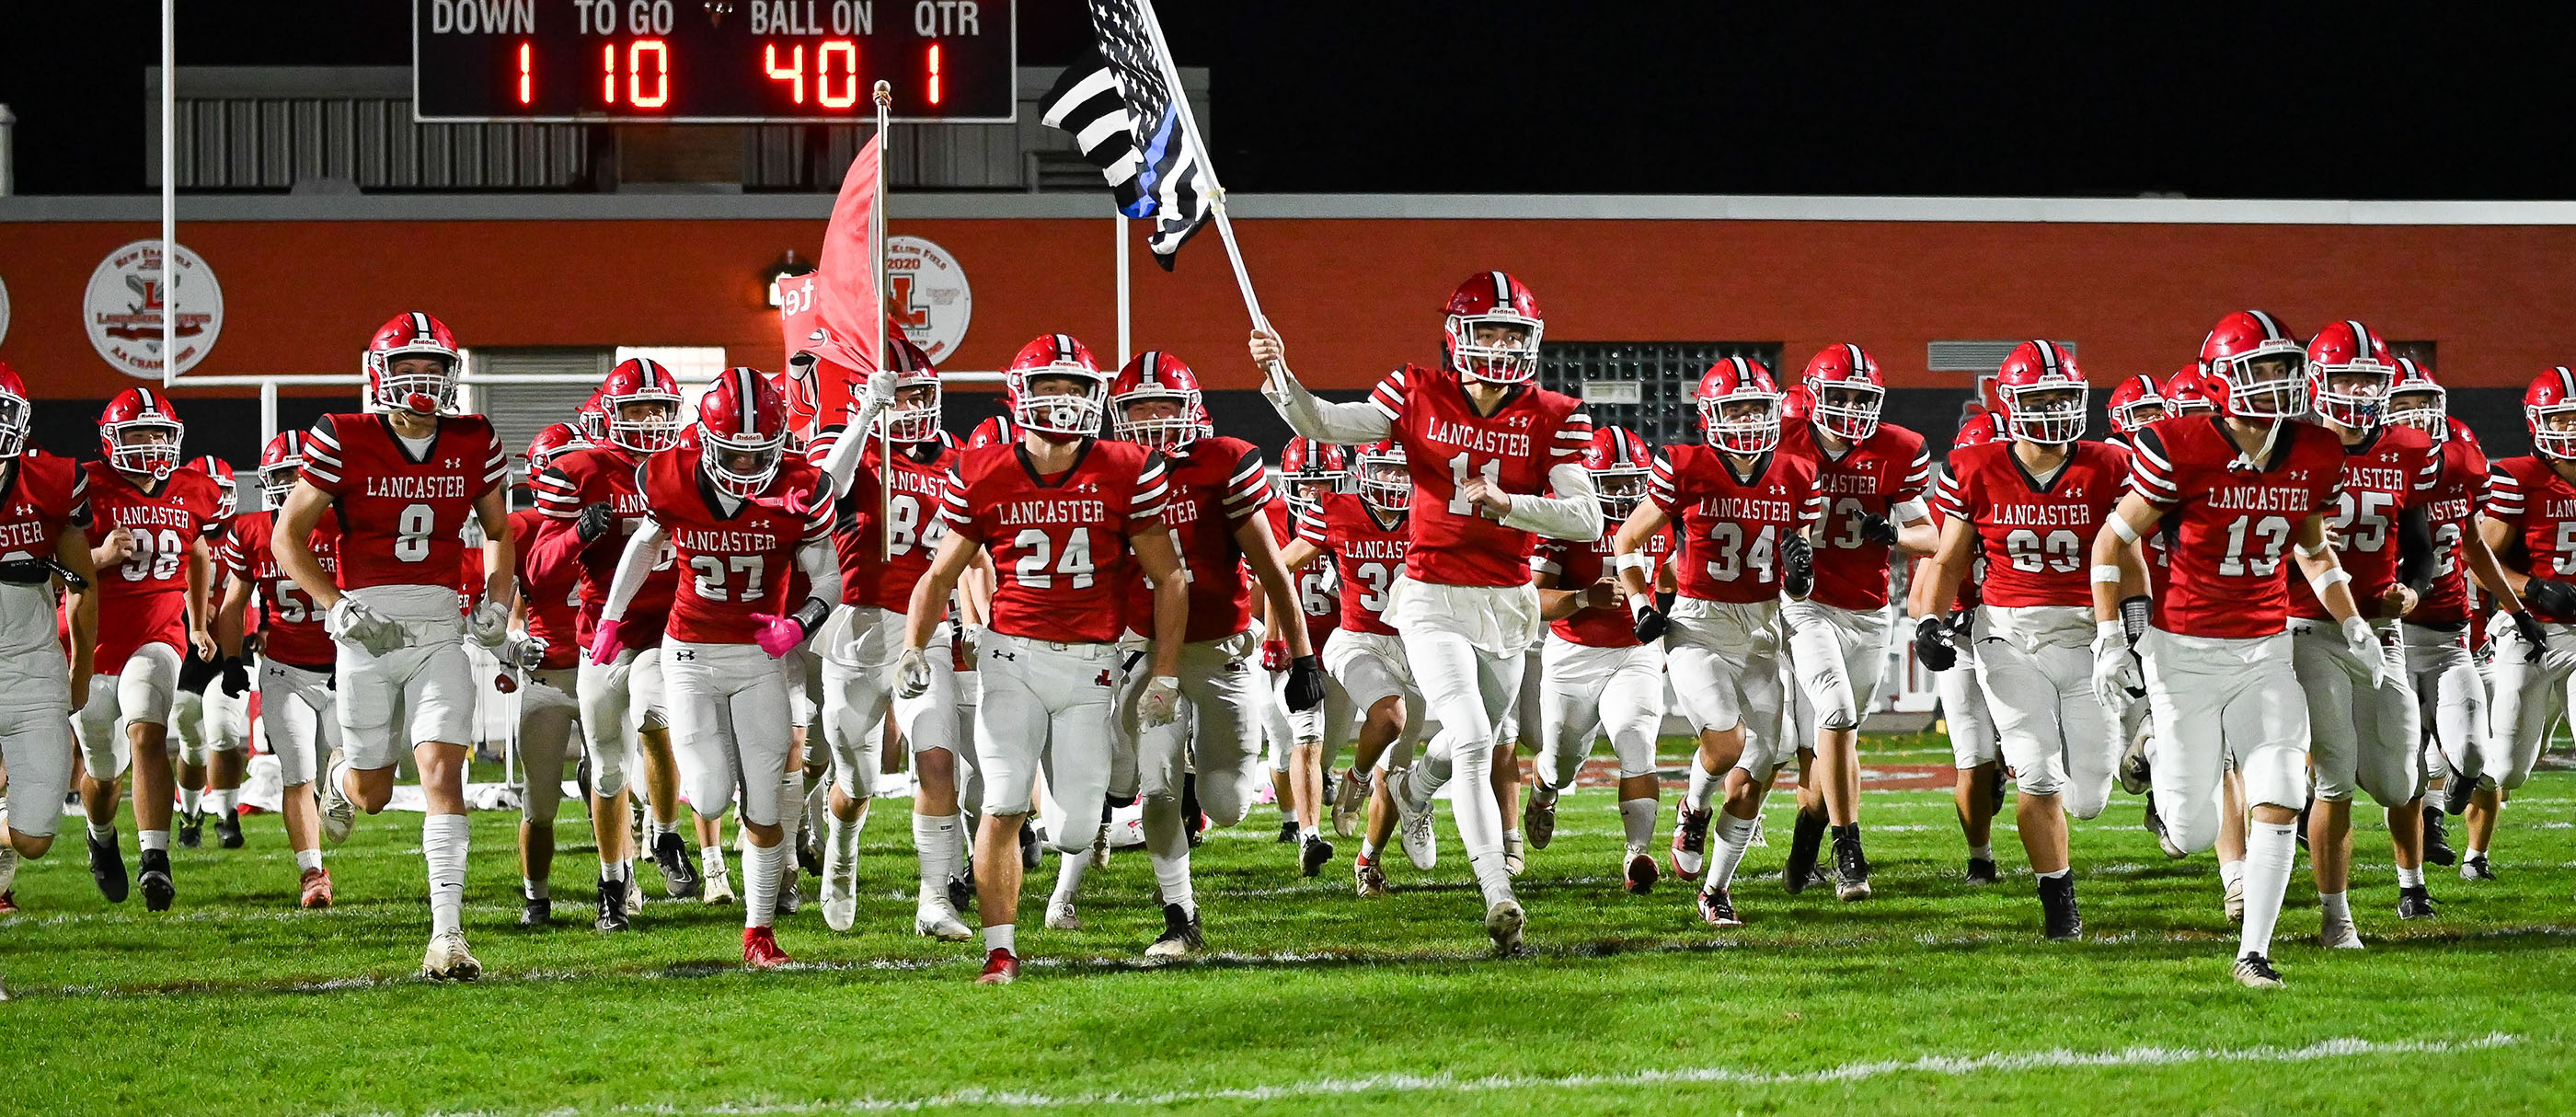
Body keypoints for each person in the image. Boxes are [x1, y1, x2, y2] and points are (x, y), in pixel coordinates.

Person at [1256, 271, 1602, 954]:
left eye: (1513, 333)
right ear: (1457, 337)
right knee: (1473, 736)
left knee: (1475, 738)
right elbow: (1324, 422)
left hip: (1508, 603)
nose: (1501, 346)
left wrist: (1512, 505)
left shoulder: (1558, 414)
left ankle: (1414, 788)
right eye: (1489, 331)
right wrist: (1281, 374)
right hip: (1431, 594)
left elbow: (1587, 518)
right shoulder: (1416, 390)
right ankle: (1498, 893)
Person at [2090, 309, 2380, 988]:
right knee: (2189, 833)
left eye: (2286, 367)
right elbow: (2112, 541)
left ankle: (2255, 953)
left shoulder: (2314, 451)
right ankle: (2159, 747)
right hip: (2183, 653)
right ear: (2222, 380)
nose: (2281, 381)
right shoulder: (2178, 444)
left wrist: (2354, 622)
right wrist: (2110, 637)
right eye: (2264, 368)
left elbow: (2312, 548)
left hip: (2265, 649)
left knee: (2280, 789)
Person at [898, 334, 1190, 984]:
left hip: (1091, 666)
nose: (1062, 401)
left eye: (1075, 388)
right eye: (1048, 387)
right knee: (1002, 801)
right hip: (1012, 659)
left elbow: (1170, 577)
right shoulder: (984, 470)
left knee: (1075, 832)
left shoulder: (1127, 467)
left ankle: (1071, 841)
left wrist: (1164, 671)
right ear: (1018, 395)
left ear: (1095, 397)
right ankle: (999, 951)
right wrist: (914, 648)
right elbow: (940, 573)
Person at [276, 311, 513, 980]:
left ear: (451, 376)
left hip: (441, 628)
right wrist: (336, 603)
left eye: (432, 369)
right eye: (407, 368)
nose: (421, 381)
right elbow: (286, 535)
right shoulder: (343, 435)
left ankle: (448, 936)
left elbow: (498, 532)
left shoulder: (474, 438)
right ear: (379, 374)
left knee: (444, 775)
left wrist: (497, 601)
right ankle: (342, 780)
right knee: (374, 792)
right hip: (367, 627)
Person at [593, 369, 840, 969]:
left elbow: (830, 576)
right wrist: (610, 616)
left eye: (761, 455)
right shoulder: (671, 477)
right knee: (708, 792)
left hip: (759, 656)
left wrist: (799, 624)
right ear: (705, 439)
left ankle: (759, 934)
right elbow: (645, 545)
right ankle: (669, 827)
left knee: (762, 797)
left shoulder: (804, 486)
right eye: (735, 453)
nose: (750, 468)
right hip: (690, 654)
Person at [1093, 350, 1322, 944]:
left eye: (1161, 406)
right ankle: (1180, 913)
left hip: (1221, 648)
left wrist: (1303, 657)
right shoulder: (1110, 473)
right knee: (1159, 789)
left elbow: (1273, 571)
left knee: (1225, 804)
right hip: (1149, 652)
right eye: (1136, 408)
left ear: (1191, 411)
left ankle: (1200, 757)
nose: (1148, 420)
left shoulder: (1223, 463)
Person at [1916, 340, 2129, 939]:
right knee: (2035, 773)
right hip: (2006, 634)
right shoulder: (1977, 466)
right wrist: (1929, 620)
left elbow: (2130, 559)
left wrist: (2133, 630)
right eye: (2041, 396)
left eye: (2064, 395)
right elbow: (1949, 561)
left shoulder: (2108, 466)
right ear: (2011, 403)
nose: (2056, 407)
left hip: (2086, 637)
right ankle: (2059, 906)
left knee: (2088, 796)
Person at [1616, 357, 1821, 927]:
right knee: (1727, 745)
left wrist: (1802, 566)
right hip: (1699, 624)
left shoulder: (1797, 471)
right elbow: (1628, 540)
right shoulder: (1685, 465)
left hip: (1761, 626)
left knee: (1764, 760)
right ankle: (1694, 804)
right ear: (1711, 415)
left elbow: (1800, 545)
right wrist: (1640, 602)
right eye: (1737, 408)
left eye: (1758, 407)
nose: (1750, 419)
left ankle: (1715, 890)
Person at [806, 340, 978, 939]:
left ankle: (934, 900)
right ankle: (843, 848)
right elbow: (822, 490)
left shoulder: (956, 458)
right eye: (900, 394)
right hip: (854, 630)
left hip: (923, 630)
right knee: (858, 780)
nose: (912, 406)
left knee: (936, 761)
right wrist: (864, 417)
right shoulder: (854, 444)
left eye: (920, 394)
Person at [2283, 320, 2442, 946]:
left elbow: (2421, 547)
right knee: (2336, 774)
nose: (2355, 389)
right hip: (2308, 629)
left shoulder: (2407, 447)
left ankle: (2412, 882)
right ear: (2318, 381)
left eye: (2367, 379)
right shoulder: (2293, 445)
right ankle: (2336, 916)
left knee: (2403, 778)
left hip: (2382, 633)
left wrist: (2413, 590)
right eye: (2344, 376)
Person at [527, 359, 704, 903]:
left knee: (655, 717)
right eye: (637, 409)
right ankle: (613, 881)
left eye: (660, 409)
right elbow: (538, 572)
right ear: (611, 413)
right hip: (602, 635)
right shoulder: (581, 471)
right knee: (606, 769)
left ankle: (668, 835)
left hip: (669, 630)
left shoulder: (696, 465)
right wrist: (577, 534)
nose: (651, 421)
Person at [1776, 344, 1937, 901]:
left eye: (1860, 398)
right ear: (1813, 395)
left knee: (1838, 738)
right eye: (1839, 395)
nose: (1849, 408)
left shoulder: (1897, 449)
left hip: (1869, 613)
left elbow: (1930, 537)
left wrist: (1890, 532)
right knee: (1836, 715)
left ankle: (1805, 842)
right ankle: (1850, 851)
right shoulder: (1780, 437)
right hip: (1806, 604)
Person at [73, 388, 227, 911]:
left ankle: (154, 857)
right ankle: (101, 836)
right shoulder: (84, 485)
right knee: (101, 772)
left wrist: (198, 618)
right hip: (89, 643)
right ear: (112, 439)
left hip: (157, 632)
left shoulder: (193, 489)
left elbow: (199, 552)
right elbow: (51, 565)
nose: (151, 444)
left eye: (159, 433)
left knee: (147, 730)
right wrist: (99, 554)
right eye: (138, 433)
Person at [1527, 426, 1673, 892]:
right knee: (1560, 761)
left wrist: (1662, 623)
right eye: (1611, 484)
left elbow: (1670, 577)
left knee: (1636, 741)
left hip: (1633, 654)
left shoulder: (1654, 521)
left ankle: (1637, 855)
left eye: (1632, 481)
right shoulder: (1564, 524)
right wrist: (1582, 598)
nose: (1625, 493)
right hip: (1573, 654)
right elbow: (1534, 600)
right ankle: (1544, 788)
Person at [1282, 439, 1426, 897]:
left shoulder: (1432, 513)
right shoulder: (1338, 509)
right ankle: (1356, 777)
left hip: (1419, 646)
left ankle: (1371, 857)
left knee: (1401, 767)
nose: (1396, 482)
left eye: (1404, 473)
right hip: (1357, 638)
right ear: (1365, 472)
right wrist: (1272, 637)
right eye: (1387, 471)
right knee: (1388, 719)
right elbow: (1279, 567)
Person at [213, 432, 346, 908]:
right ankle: (312, 872)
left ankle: (341, 793)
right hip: (285, 669)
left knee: (350, 772)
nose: (291, 483)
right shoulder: (250, 532)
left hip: (345, 667)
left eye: (299, 472)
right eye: (282, 475)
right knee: (297, 773)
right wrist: (231, 660)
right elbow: (233, 603)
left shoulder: (343, 523)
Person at [2386, 360, 2504, 881]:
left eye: (2424, 403)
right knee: (2403, 771)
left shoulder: (2462, 458)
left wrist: (2514, 609)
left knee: (2475, 753)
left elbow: (2475, 544)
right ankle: (2410, 884)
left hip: (2449, 631)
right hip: (2387, 635)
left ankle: (2449, 800)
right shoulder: (2369, 467)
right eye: (2403, 404)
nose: (2416, 414)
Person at [2464, 366, 2576, 881]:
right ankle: (2475, 848)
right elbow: (2478, 558)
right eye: (2563, 419)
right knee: (2508, 768)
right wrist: (2532, 588)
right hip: (2529, 632)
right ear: (2539, 423)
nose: (2572, 429)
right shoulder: (2517, 476)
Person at [0, 362, 98, 915]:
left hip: (30, 663)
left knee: (35, 837)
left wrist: (81, 669)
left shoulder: (53, 480)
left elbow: (83, 583)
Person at [502, 423, 593, 927]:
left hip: (603, 669)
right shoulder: (522, 528)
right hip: (549, 676)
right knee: (539, 803)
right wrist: (513, 642)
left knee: (616, 782)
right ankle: (536, 898)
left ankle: (617, 885)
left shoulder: (615, 514)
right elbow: (507, 607)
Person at [1912, 409, 2006, 885]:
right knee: (1972, 757)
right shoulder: (1947, 519)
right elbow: (1917, 601)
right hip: (1968, 641)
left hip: (2024, 639)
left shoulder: (2035, 510)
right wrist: (1936, 626)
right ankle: (1980, 857)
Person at [170, 455, 247, 852]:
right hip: (185, 649)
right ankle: (190, 811)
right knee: (189, 735)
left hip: (229, 649)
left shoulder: (243, 532)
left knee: (222, 729)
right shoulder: (174, 526)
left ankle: (227, 813)